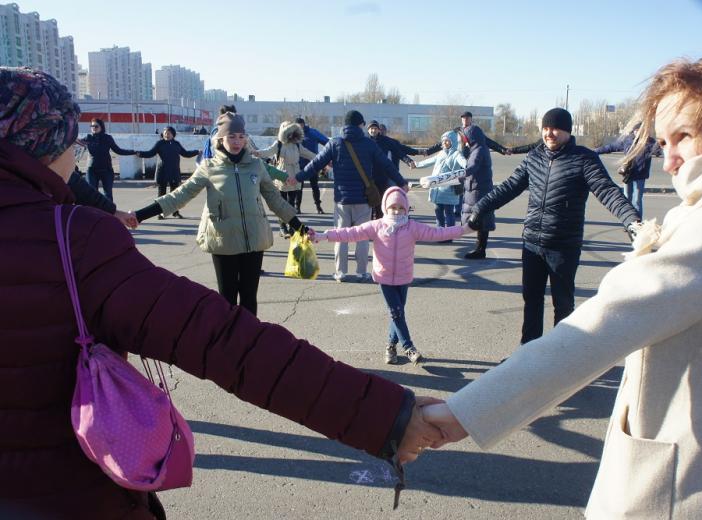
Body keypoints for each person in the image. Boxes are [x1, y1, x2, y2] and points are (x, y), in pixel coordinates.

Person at [0, 67, 441, 520]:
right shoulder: (73, 239)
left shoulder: (252, 167)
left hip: (252, 246)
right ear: (44, 146)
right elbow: (224, 341)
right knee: (232, 316)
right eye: (70, 144)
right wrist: (387, 417)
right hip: (64, 496)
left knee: (243, 308)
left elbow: (274, 199)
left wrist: (295, 223)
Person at [422, 52, 702, 519]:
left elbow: (593, 331)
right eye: (662, 141)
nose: (667, 161)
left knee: (566, 315)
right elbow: (509, 187)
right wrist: (478, 209)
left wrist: (459, 415)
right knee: (533, 311)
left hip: (694, 490)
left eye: (683, 137)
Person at [467, 108, 640, 343]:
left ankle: (561, 358)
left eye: (556, 128)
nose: (549, 133)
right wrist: (480, 208)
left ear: (567, 131)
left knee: (563, 305)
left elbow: (607, 191)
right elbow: (509, 187)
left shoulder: (583, 158)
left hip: (563, 247)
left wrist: (632, 221)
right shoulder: (534, 157)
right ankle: (528, 355)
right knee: (532, 300)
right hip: (532, 244)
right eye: (546, 128)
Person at [132, 113, 308, 316]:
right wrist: (140, 215)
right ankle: (228, 345)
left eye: (241, 136)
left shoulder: (256, 165)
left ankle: (249, 343)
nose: (237, 142)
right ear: (220, 138)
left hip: (254, 239)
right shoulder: (209, 167)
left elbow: (275, 200)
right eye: (232, 136)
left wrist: (299, 227)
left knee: (249, 298)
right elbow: (179, 196)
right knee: (227, 299)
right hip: (223, 240)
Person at [312, 187, 472, 365]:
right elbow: (350, 232)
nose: (396, 211)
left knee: (398, 314)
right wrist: (323, 235)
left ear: (406, 209)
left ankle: (390, 347)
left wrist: (465, 229)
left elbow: (438, 233)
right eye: (393, 207)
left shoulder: (412, 227)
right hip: (384, 277)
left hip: (404, 277)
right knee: (396, 313)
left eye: (400, 208)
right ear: (385, 208)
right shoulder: (377, 226)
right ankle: (409, 347)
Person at [296, 110, 410, 283]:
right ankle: (362, 271)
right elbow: (386, 164)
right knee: (363, 237)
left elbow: (315, 164)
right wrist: (401, 181)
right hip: (363, 200)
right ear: (360, 125)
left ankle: (341, 272)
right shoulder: (369, 144)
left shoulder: (335, 143)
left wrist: (296, 178)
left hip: (341, 200)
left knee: (340, 236)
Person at [253, 121, 316, 237]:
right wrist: (256, 153)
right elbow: (268, 151)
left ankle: (292, 226)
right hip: (281, 174)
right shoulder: (279, 144)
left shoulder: (297, 144)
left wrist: (322, 159)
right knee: (281, 203)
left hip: (295, 176)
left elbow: (309, 154)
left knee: (291, 203)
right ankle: (282, 227)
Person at [595, 122, 659, 219]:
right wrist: (595, 152)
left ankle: (637, 223)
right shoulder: (627, 140)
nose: (638, 132)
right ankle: (628, 221)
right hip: (628, 174)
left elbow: (660, 150)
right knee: (626, 199)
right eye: (636, 130)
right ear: (633, 130)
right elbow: (611, 147)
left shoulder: (649, 142)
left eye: (640, 131)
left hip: (640, 175)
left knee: (637, 200)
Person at [137, 126, 200, 219]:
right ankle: (159, 213)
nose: (166, 134)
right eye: (165, 133)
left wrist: (197, 152)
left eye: (168, 133)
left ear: (173, 134)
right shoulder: (160, 144)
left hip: (174, 172)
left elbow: (186, 154)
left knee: (175, 194)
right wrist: (140, 153)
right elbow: (150, 153)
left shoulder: (176, 144)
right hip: (163, 171)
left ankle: (175, 212)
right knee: (161, 194)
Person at [457, 124, 496, 259]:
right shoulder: (476, 148)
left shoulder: (479, 150)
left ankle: (480, 250)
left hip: (479, 189)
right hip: (478, 187)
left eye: (464, 137)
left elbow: (473, 167)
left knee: (482, 219)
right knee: (481, 219)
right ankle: (480, 248)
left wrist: (459, 176)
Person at [415, 130, 467, 230]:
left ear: (453, 141)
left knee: (449, 213)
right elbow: (429, 161)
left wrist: (469, 167)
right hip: (437, 189)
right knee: (438, 212)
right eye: (443, 141)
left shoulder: (457, 154)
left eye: (447, 141)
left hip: (449, 190)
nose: (444, 143)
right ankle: (440, 233)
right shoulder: (441, 153)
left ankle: (450, 234)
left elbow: (465, 163)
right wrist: (416, 165)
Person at [75, 117, 136, 201]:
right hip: (91, 170)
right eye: (92, 126)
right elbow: (75, 142)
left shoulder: (107, 138)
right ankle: (94, 213)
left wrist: (134, 152)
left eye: (96, 126)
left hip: (106, 170)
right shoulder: (88, 138)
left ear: (101, 127)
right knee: (91, 194)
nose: (93, 128)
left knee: (108, 195)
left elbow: (118, 150)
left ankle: (108, 213)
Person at [368, 120, 417, 218]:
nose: (373, 130)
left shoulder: (386, 141)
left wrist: (408, 161)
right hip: (368, 177)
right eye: (371, 128)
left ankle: (381, 225)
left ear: (378, 130)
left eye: (375, 128)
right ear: (368, 130)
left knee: (381, 203)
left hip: (382, 176)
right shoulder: (364, 141)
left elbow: (398, 152)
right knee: (369, 205)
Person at [421, 111, 510, 156]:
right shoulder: (457, 130)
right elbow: (444, 143)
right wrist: (428, 152)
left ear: (471, 119)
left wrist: (503, 150)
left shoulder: (475, 131)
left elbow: (488, 142)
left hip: (471, 158)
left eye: (467, 118)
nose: (465, 119)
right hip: (459, 157)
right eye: (463, 118)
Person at [295, 117, 329, 214]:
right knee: (298, 187)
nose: (299, 128)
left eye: (301, 126)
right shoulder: (293, 134)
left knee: (315, 186)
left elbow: (326, 142)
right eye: (297, 127)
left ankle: (318, 207)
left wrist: (324, 157)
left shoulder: (312, 132)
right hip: (299, 165)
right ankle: (297, 207)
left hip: (313, 164)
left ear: (304, 124)